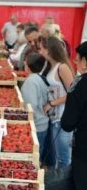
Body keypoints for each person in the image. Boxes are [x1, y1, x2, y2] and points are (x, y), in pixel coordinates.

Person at [39, 36, 74, 169]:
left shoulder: (62, 67)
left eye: (42, 48)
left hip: (63, 117)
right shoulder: (51, 66)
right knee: (58, 154)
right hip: (54, 118)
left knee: (63, 156)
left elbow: (73, 93)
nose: (40, 51)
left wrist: (51, 103)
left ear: (48, 50)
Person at [61, 41, 87, 190]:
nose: (75, 63)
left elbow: (67, 124)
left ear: (84, 61)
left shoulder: (80, 84)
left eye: (77, 59)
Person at [21, 53, 49, 160]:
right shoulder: (39, 78)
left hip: (36, 126)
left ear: (28, 66)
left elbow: (30, 106)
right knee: (38, 156)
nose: (24, 63)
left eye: (25, 62)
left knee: (34, 158)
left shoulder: (31, 82)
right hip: (42, 123)